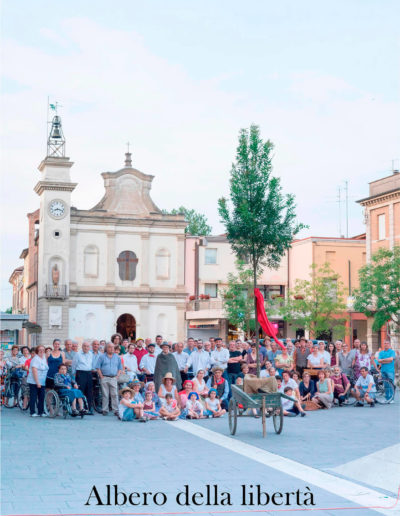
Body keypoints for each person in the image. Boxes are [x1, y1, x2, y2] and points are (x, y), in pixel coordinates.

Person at [96, 342, 123, 416]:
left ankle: (116, 410)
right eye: (110, 347)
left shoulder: (117, 357)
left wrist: (117, 376)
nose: (112, 349)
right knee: (105, 395)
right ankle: (105, 410)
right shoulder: (102, 357)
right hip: (104, 377)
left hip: (114, 378)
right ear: (106, 348)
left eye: (113, 347)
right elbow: (98, 367)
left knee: (114, 394)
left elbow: (120, 368)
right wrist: (101, 376)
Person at [71, 341, 94, 414]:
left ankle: (89, 408)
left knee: (89, 391)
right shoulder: (78, 354)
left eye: (87, 346)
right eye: (84, 346)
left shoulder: (91, 354)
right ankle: (80, 408)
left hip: (89, 373)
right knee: (81, 391)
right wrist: (74, 374)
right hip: (80, 373)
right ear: (82, 346)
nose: (86, 348)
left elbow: (92, 364)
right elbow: (74, 365)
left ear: (89, 347)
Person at [27, 345, 49, 417]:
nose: (42, 351)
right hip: (34, 381)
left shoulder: (43, 358)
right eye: (40, 350)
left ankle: (41, 411)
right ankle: (32, 412)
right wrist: (37, 382)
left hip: (42, 381)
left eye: (43, 350)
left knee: (41, 396)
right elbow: (34, 371)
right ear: (37, 351)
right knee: (33, 396)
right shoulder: (35, 359)